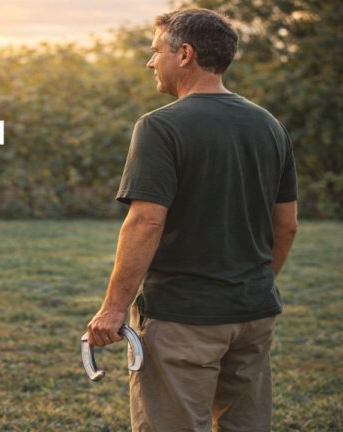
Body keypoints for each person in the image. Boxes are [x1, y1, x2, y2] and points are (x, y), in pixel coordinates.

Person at [84, 8, 299, 432]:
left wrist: (113, 308)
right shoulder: (269, 126)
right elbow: (287, 224)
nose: (150, 62)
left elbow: (145, 222)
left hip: (183, 316)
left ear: (185, 54)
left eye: (155, 51)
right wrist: (253, 282)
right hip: (253, 313)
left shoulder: (159, 126)